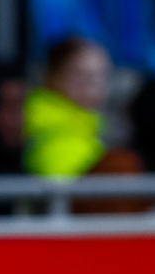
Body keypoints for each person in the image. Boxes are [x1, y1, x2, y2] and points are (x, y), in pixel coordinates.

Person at [25, 36, 109, 176]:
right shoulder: (41, 125)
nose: (92, 86)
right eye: (81, 75)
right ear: (52, 76)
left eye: (100, 76)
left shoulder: (91, 126)